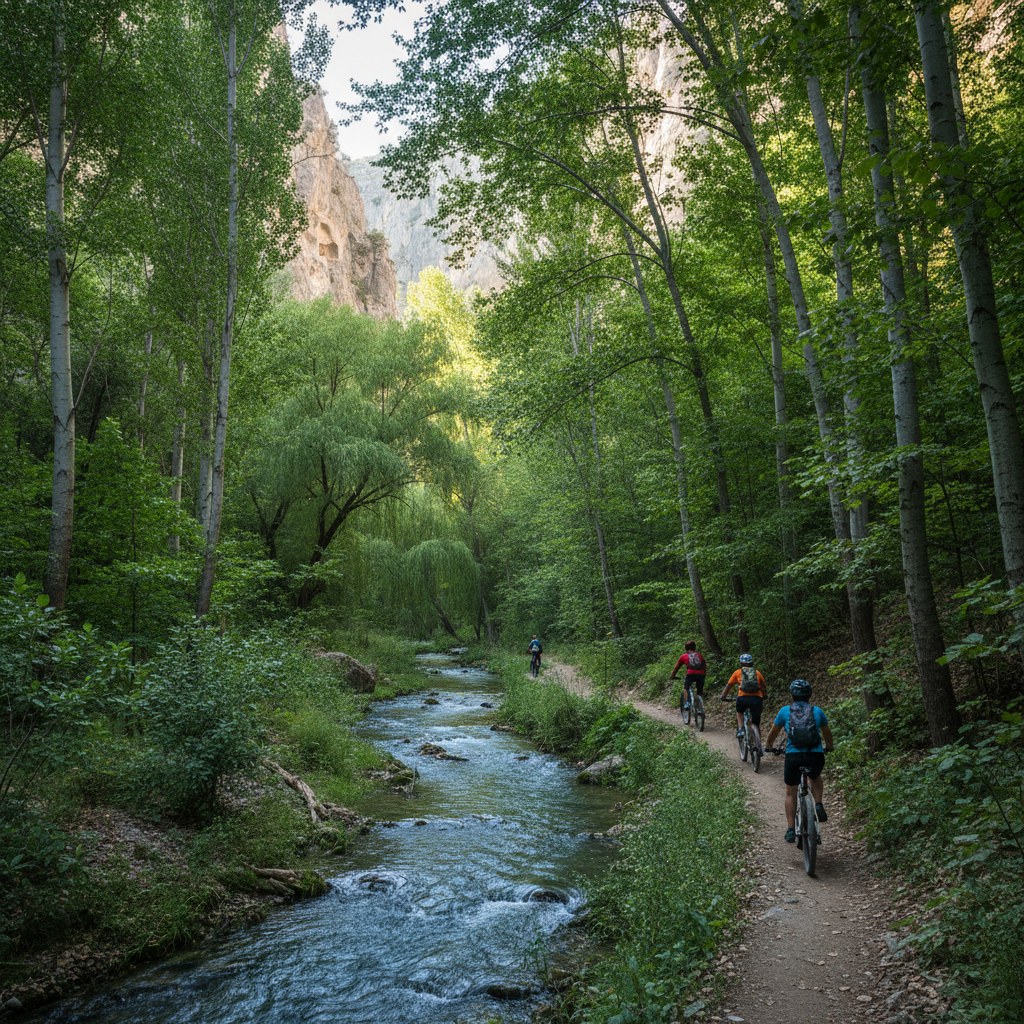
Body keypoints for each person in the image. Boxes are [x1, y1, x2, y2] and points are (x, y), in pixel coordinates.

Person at [764, 679, 834, 843]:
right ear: (809, 695)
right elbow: (827, 733)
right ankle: (818, 804)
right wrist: (829, 747)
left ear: (792, 695)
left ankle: (790, 829)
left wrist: (768, 746)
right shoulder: (817, 711)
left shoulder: (784, 712)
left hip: (793, 756)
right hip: (815, 755)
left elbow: (774, 733)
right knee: (815, 776)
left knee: (790, 792)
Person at [719, 652, 766, 740]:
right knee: (756, 723)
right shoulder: (757, 673)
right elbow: (763, 686)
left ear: (741, 663)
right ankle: (758, 744)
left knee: (739, 712)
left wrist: (723, 696)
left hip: (743, 698)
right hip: (756, 699)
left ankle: (740, 729)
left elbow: (729, 686)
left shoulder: (737, 673)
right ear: (751, 663)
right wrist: (764, 695)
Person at [668, 640, 707, 716]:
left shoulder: (684, 656)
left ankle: (687, 703)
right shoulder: (700, 655)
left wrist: (672, 676)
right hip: (701, 674)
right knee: (699, 692)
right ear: (694, 647)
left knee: (686, 688)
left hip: (691, 674)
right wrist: (703, 674)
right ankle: (700, 706)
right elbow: (704, 665)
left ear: (686, 648)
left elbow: (676, 668)